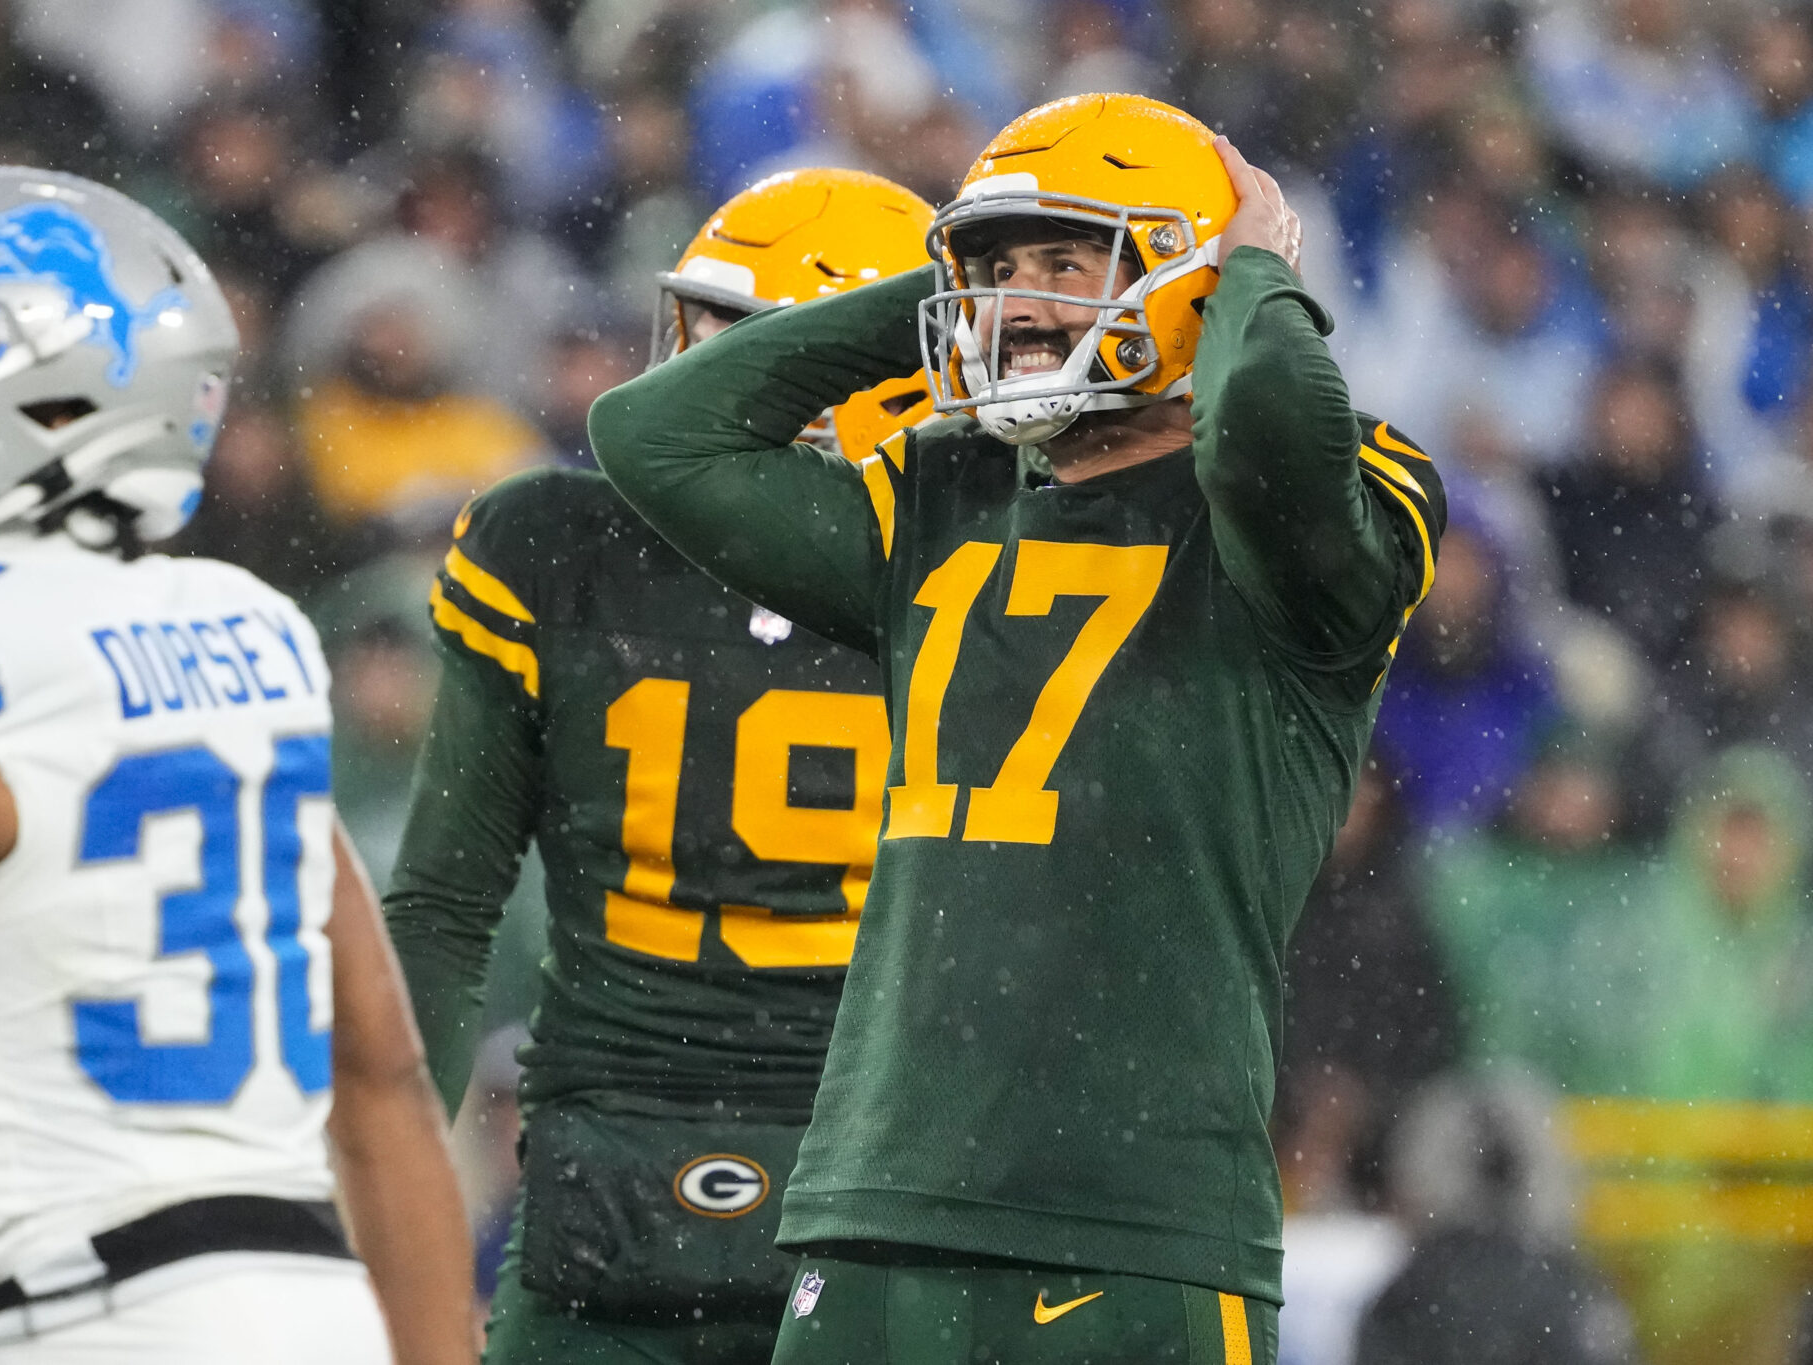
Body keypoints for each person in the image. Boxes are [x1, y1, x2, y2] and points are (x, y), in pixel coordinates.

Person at [591, 94, 1447, 1363]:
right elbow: (654, 435)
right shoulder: (940, 492)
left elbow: (1265, 420)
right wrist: (927, 302)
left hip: (1131, 1214)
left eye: (1063, 259)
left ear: (1190, 280)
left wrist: (1255, 274)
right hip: (877, 1196)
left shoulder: (1331, 487)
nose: (1023, 301)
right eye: (993, 271)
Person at [0, 167, 474, 1365]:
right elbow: (384, 1085)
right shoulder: (251, 629)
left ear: (58, 396)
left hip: (85, 1320)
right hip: (318, 1310)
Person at [384, 165, 933, 1365]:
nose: (685, 365)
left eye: (731, 342)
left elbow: (438, 911)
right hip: (877, 1198)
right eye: (693, 329)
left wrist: (386, 1197)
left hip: (613, 1197)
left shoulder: (550, 547)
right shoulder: (979, 573)